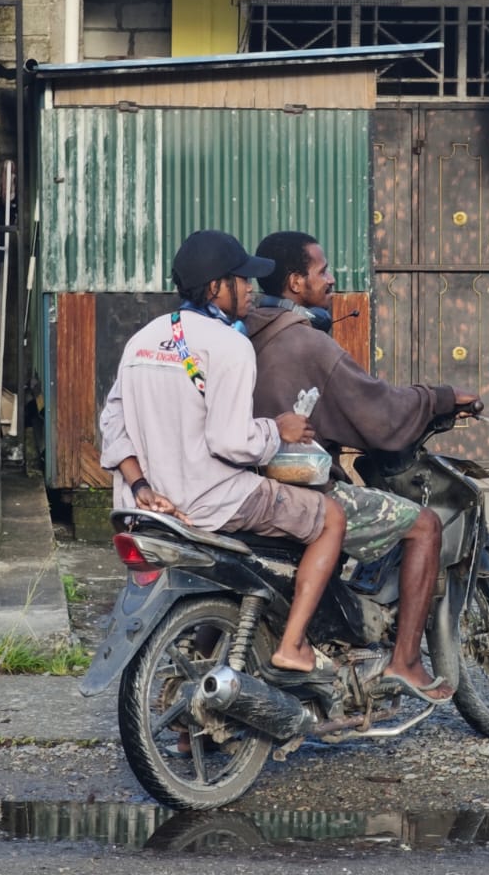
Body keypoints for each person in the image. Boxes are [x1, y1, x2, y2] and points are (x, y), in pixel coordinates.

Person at [98, 229, 347, 675]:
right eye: (242, 279)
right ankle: (293, 644)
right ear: (216, 287)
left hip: (155, 509)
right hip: (215, 500)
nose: (251, 289)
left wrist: (140, 487)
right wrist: (280, 428)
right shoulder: (230, 345)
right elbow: (232, 442)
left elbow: (113, 423)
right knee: (331, 518)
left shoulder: (144, 339)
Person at [244, 229, 478, 704]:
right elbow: (381, 413)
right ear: (295, 281)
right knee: (425, 526)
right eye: (322, 270)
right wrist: (440, 398)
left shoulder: (241, 333)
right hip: (302, 492)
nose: (331, 279)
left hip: (242, 488)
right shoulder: (306, 344)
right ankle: (406, 662)